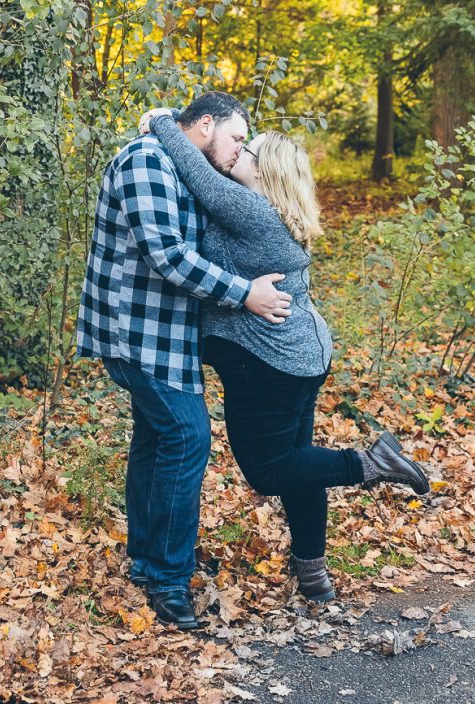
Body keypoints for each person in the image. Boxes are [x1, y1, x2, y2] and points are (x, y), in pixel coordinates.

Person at [141, 108, 430, 604]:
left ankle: (372, 462)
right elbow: (207, 172)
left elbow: (198, 177)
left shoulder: (251, 211)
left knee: (270, 471)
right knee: (299, 463)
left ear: (265, 172)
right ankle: (313, 574)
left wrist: (162, 121)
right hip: (300, 355)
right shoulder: (272, 212)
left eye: (248, 151)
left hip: (269, 361)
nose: (239, 152)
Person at [76, 92, 292, 630]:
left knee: (156, 439)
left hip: (164, 336)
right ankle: (169, 583)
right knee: (187, 437)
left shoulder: (175, 162)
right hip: (136, 334)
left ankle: (149, 560)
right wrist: (245, 293)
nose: (240, 148)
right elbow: (168, 257)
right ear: (204, 125)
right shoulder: (144, 162)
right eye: (237, 138)